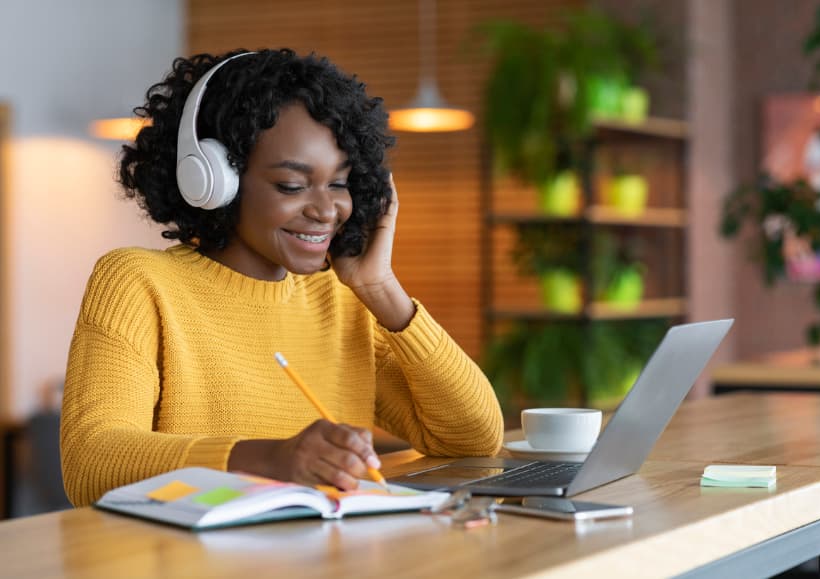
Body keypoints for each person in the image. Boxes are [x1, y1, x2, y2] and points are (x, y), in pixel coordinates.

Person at [60, 48, 504, 508]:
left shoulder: (342, 298)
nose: (326, 210)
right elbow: (91, 463)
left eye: (339, 183)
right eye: (292, 186)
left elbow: (473, 438)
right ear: (214, 180)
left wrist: (381, 289)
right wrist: (271, 460)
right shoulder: (138, 282)